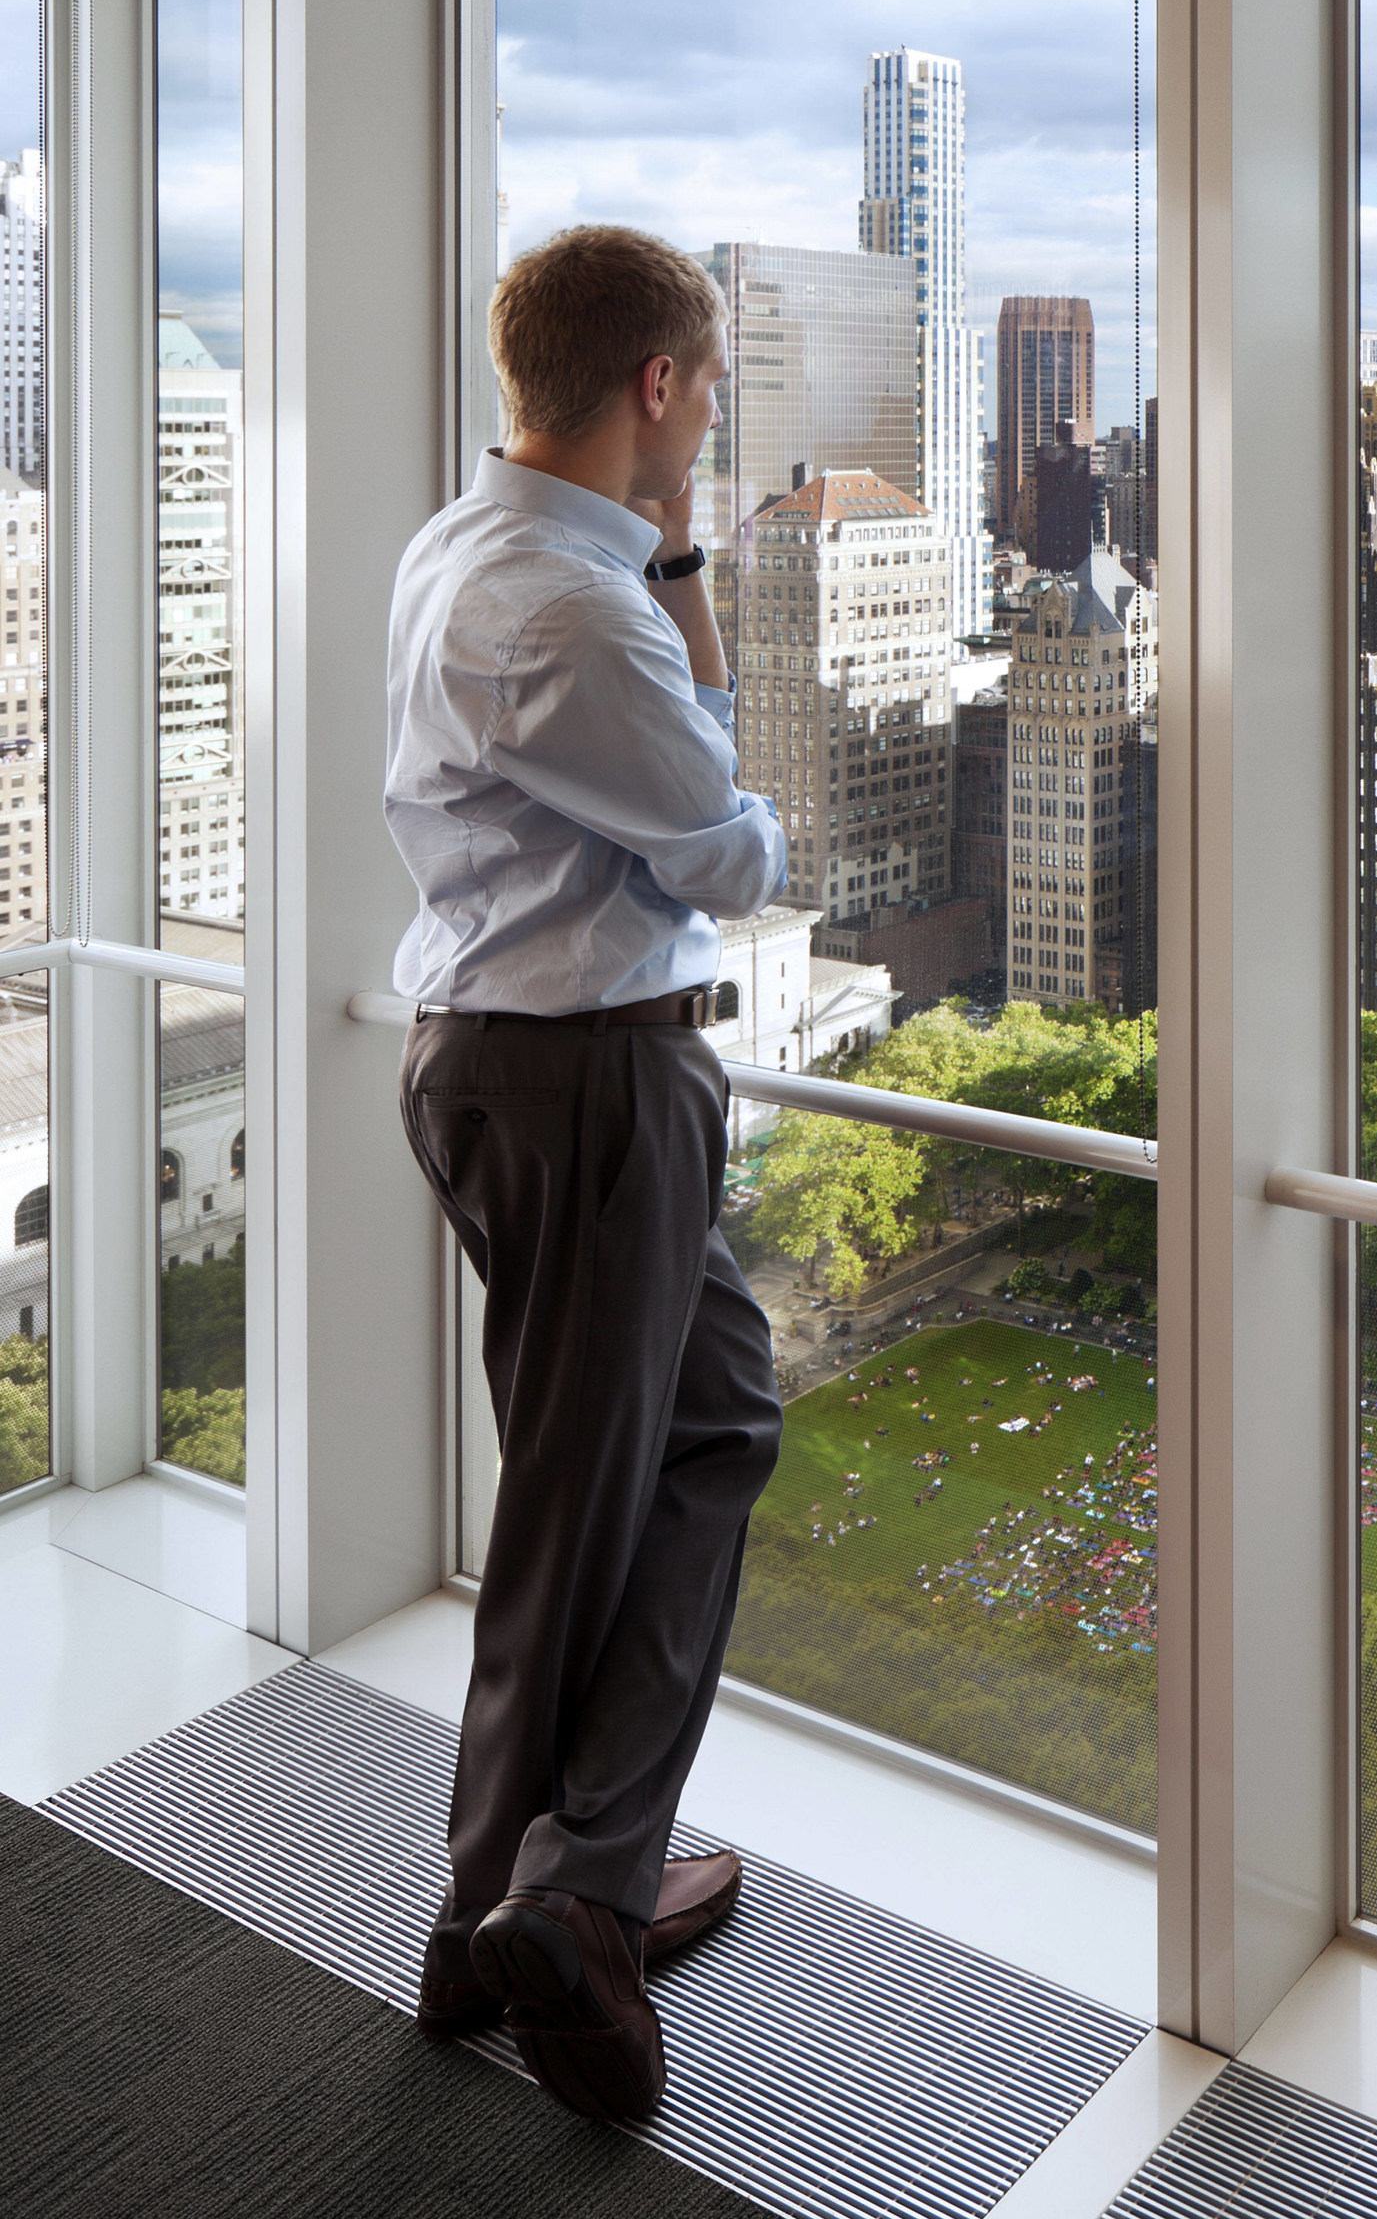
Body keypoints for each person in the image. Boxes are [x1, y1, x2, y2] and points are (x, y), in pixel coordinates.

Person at [385, 227, 790, 2122]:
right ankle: (520, 1925)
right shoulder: (572, 607)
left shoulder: (460, 550)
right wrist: (687, 586)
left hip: (515, 1064)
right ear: (654, 387)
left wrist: (675, 538)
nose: (707, 419)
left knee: (715, 1421)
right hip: (589, 1086)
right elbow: (724, 847)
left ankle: (577, 1880)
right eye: (702, 387)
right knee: (573, 1511)